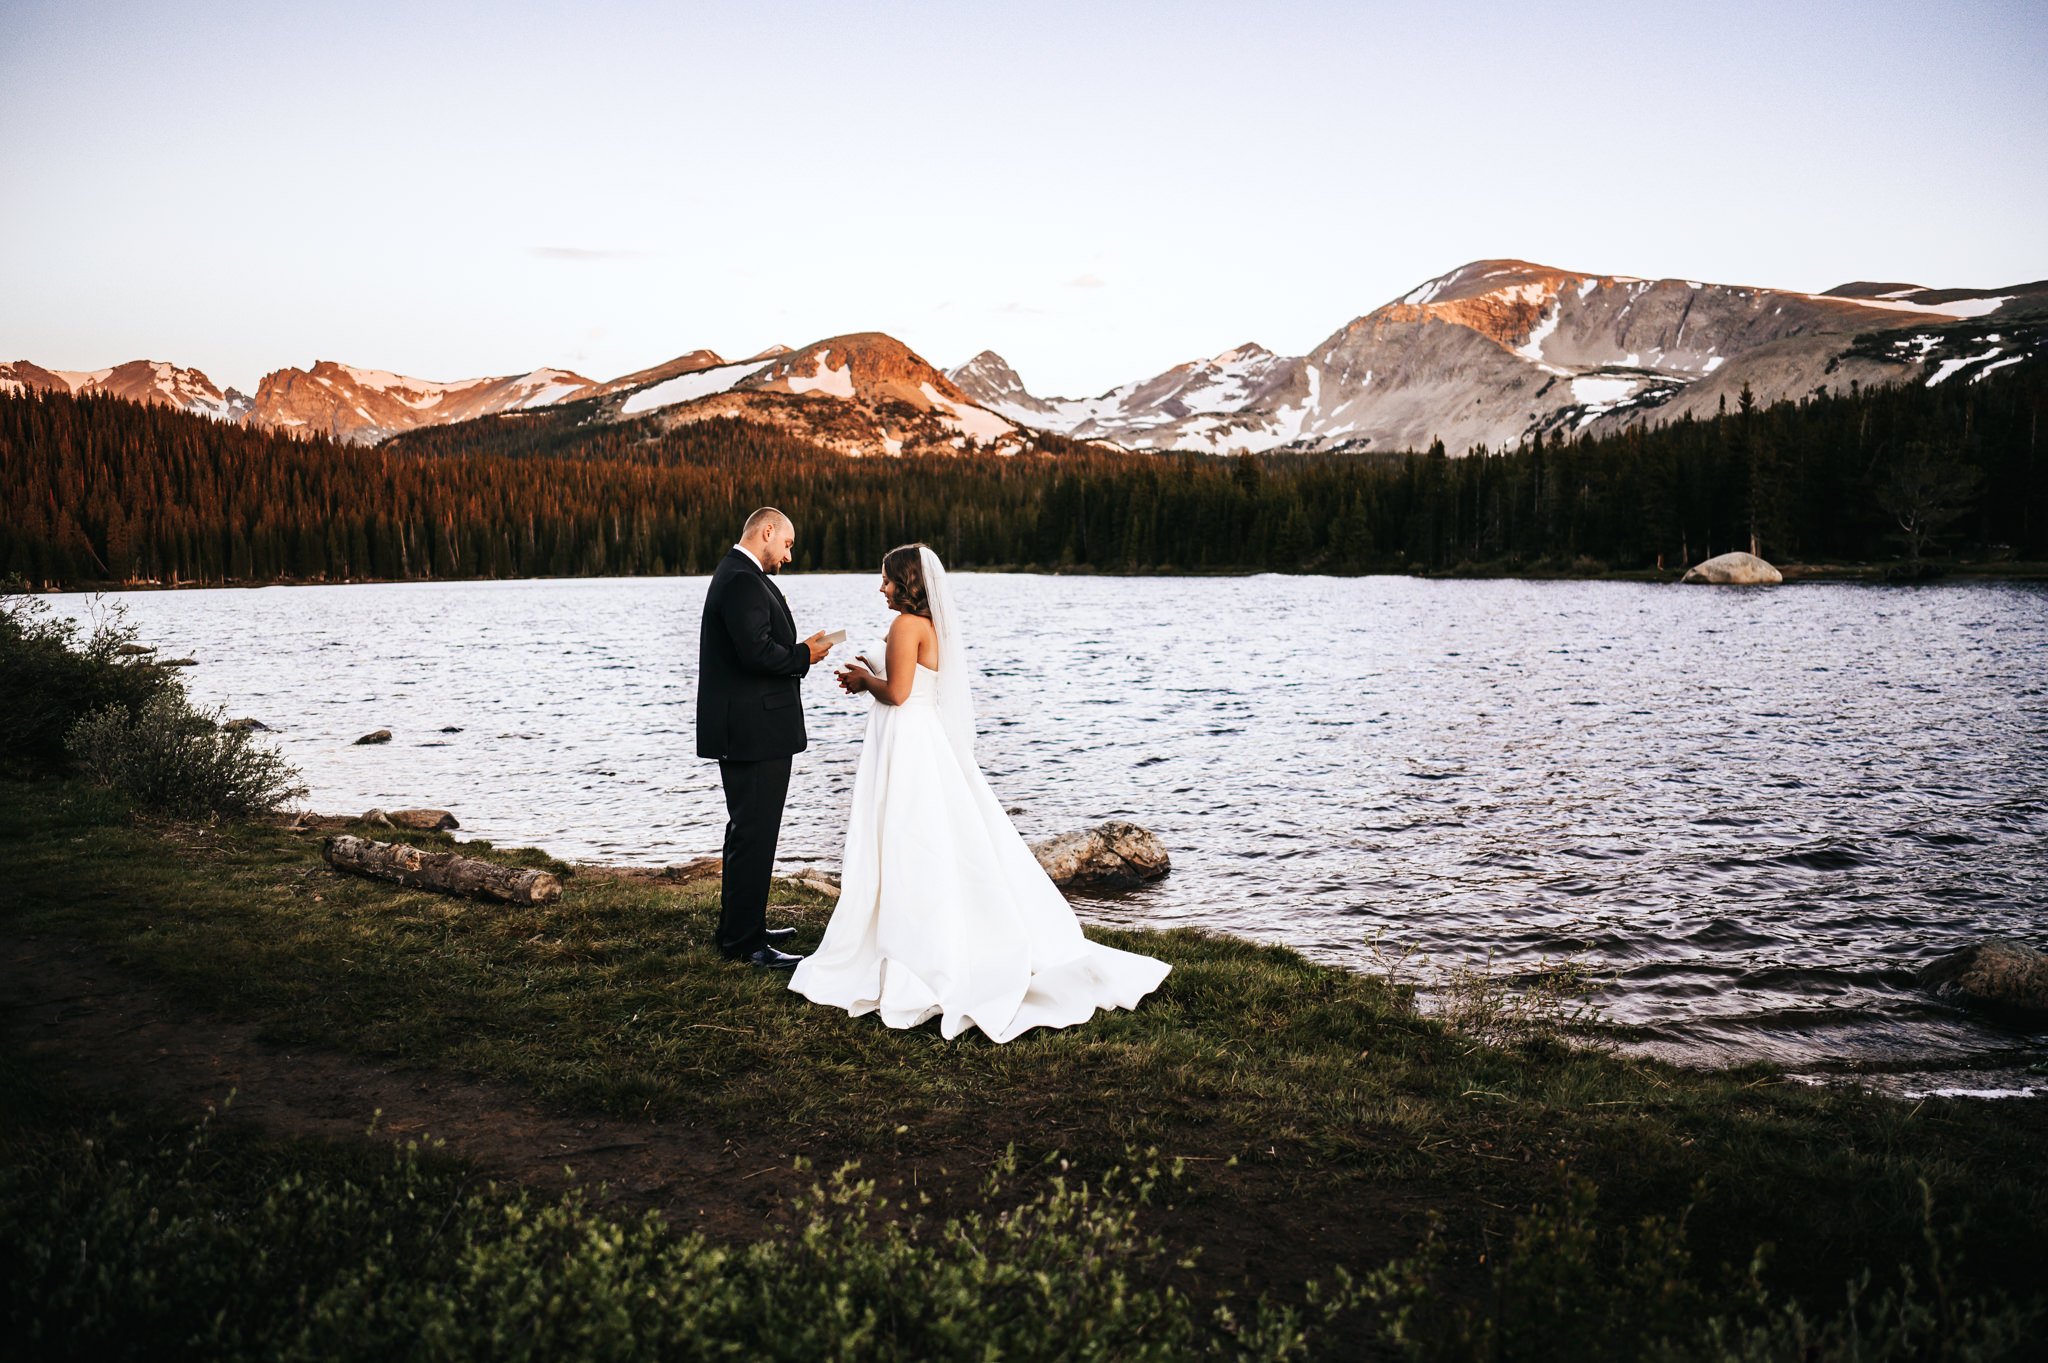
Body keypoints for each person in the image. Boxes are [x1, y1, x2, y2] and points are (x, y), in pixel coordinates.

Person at [789, 543, 1169, 1041]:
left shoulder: (907, 625)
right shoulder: (931, 625)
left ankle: (910, 945)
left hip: (907, 742)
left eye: (885, 579)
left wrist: (866, 681)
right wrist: (874, 676)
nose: (879, 587)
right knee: (933, 838)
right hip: (919, 738)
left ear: (905, 583)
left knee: (906, 837)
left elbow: (900, 694)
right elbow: (915, 684)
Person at [697, 507, 833, 969]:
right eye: (788, 545)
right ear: (767, 532)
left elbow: (752, 646)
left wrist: (800, 650)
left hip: (752, 728)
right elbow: (755, 653)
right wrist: (804, 654)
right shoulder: (740, 579)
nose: (789, 556)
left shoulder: (740, 574)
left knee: (749, 831)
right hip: (752, 731)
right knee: (753, 833)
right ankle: (743, 942)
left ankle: (744, 925)